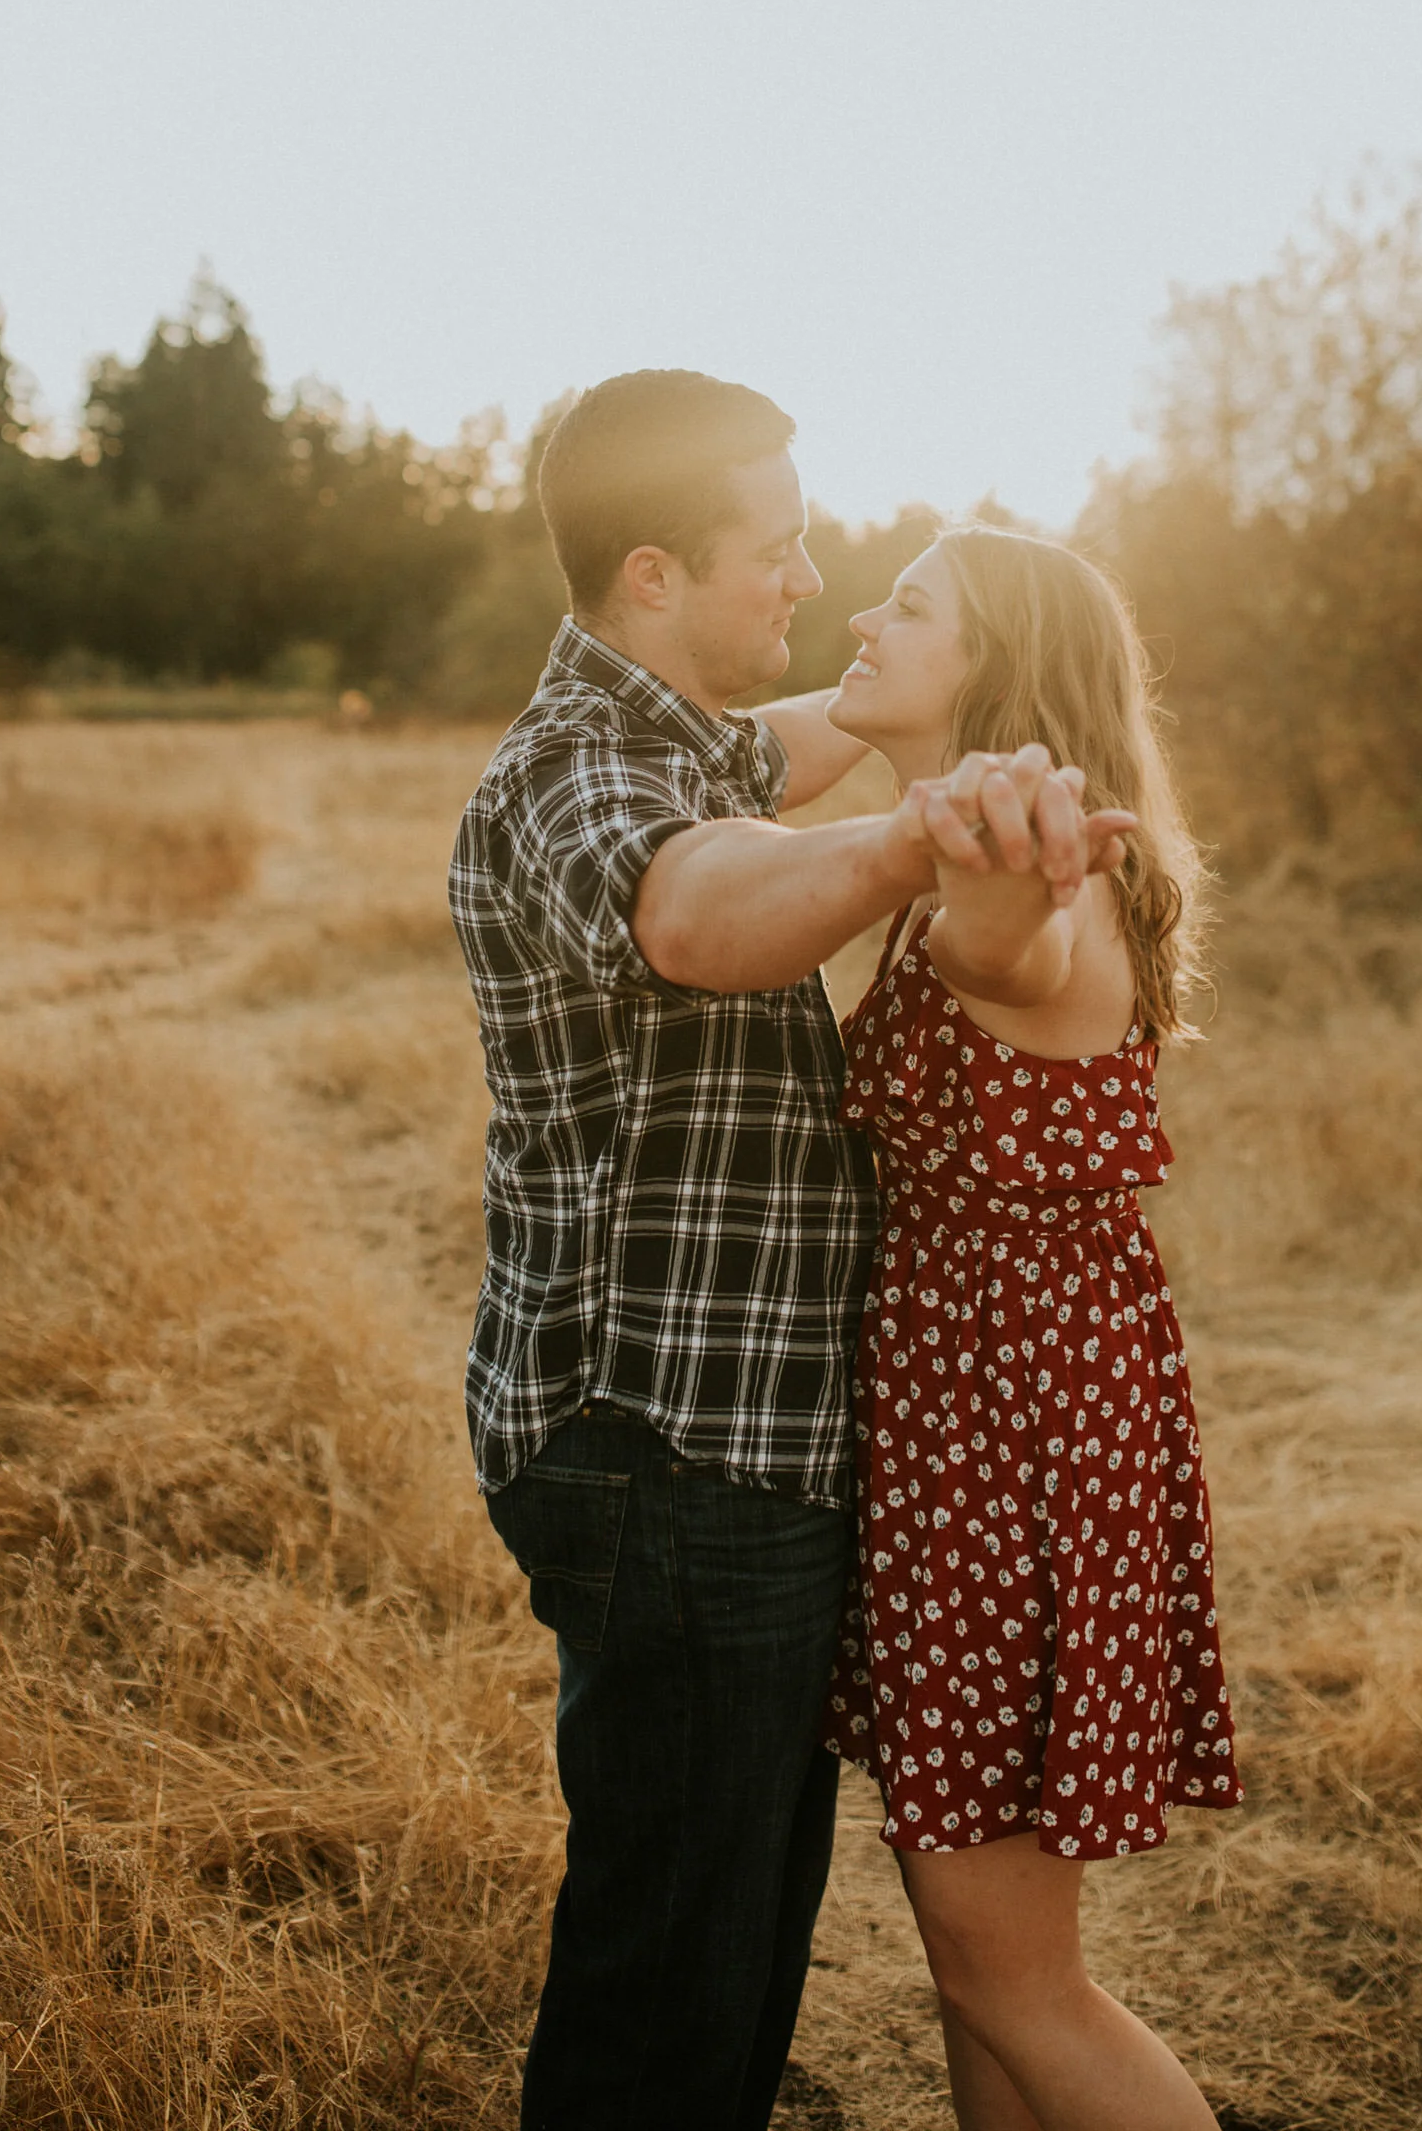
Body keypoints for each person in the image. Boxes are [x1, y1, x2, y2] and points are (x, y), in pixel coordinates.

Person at [447, 373, 1123, 2131]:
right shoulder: (581, 775)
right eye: (782, 549)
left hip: (736, 1449)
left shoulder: (685, 735)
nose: (813, 583)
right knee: (672, 1984)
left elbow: (816, 731)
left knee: (736, 1942)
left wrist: (966, 721)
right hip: (665, 1442)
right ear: (656, 574)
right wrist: (913, 837)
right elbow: (695, 911)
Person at [822, 525, 1242, 2131]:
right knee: (975, 1965)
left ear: (992, 669)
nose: (864, 615)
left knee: (1016, 1980)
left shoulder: (1022, 898)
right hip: (1015, 1414)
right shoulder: (974, 858)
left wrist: (1001, 893)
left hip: (1010, 1444)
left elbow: (1010, 949)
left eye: (908, 605)